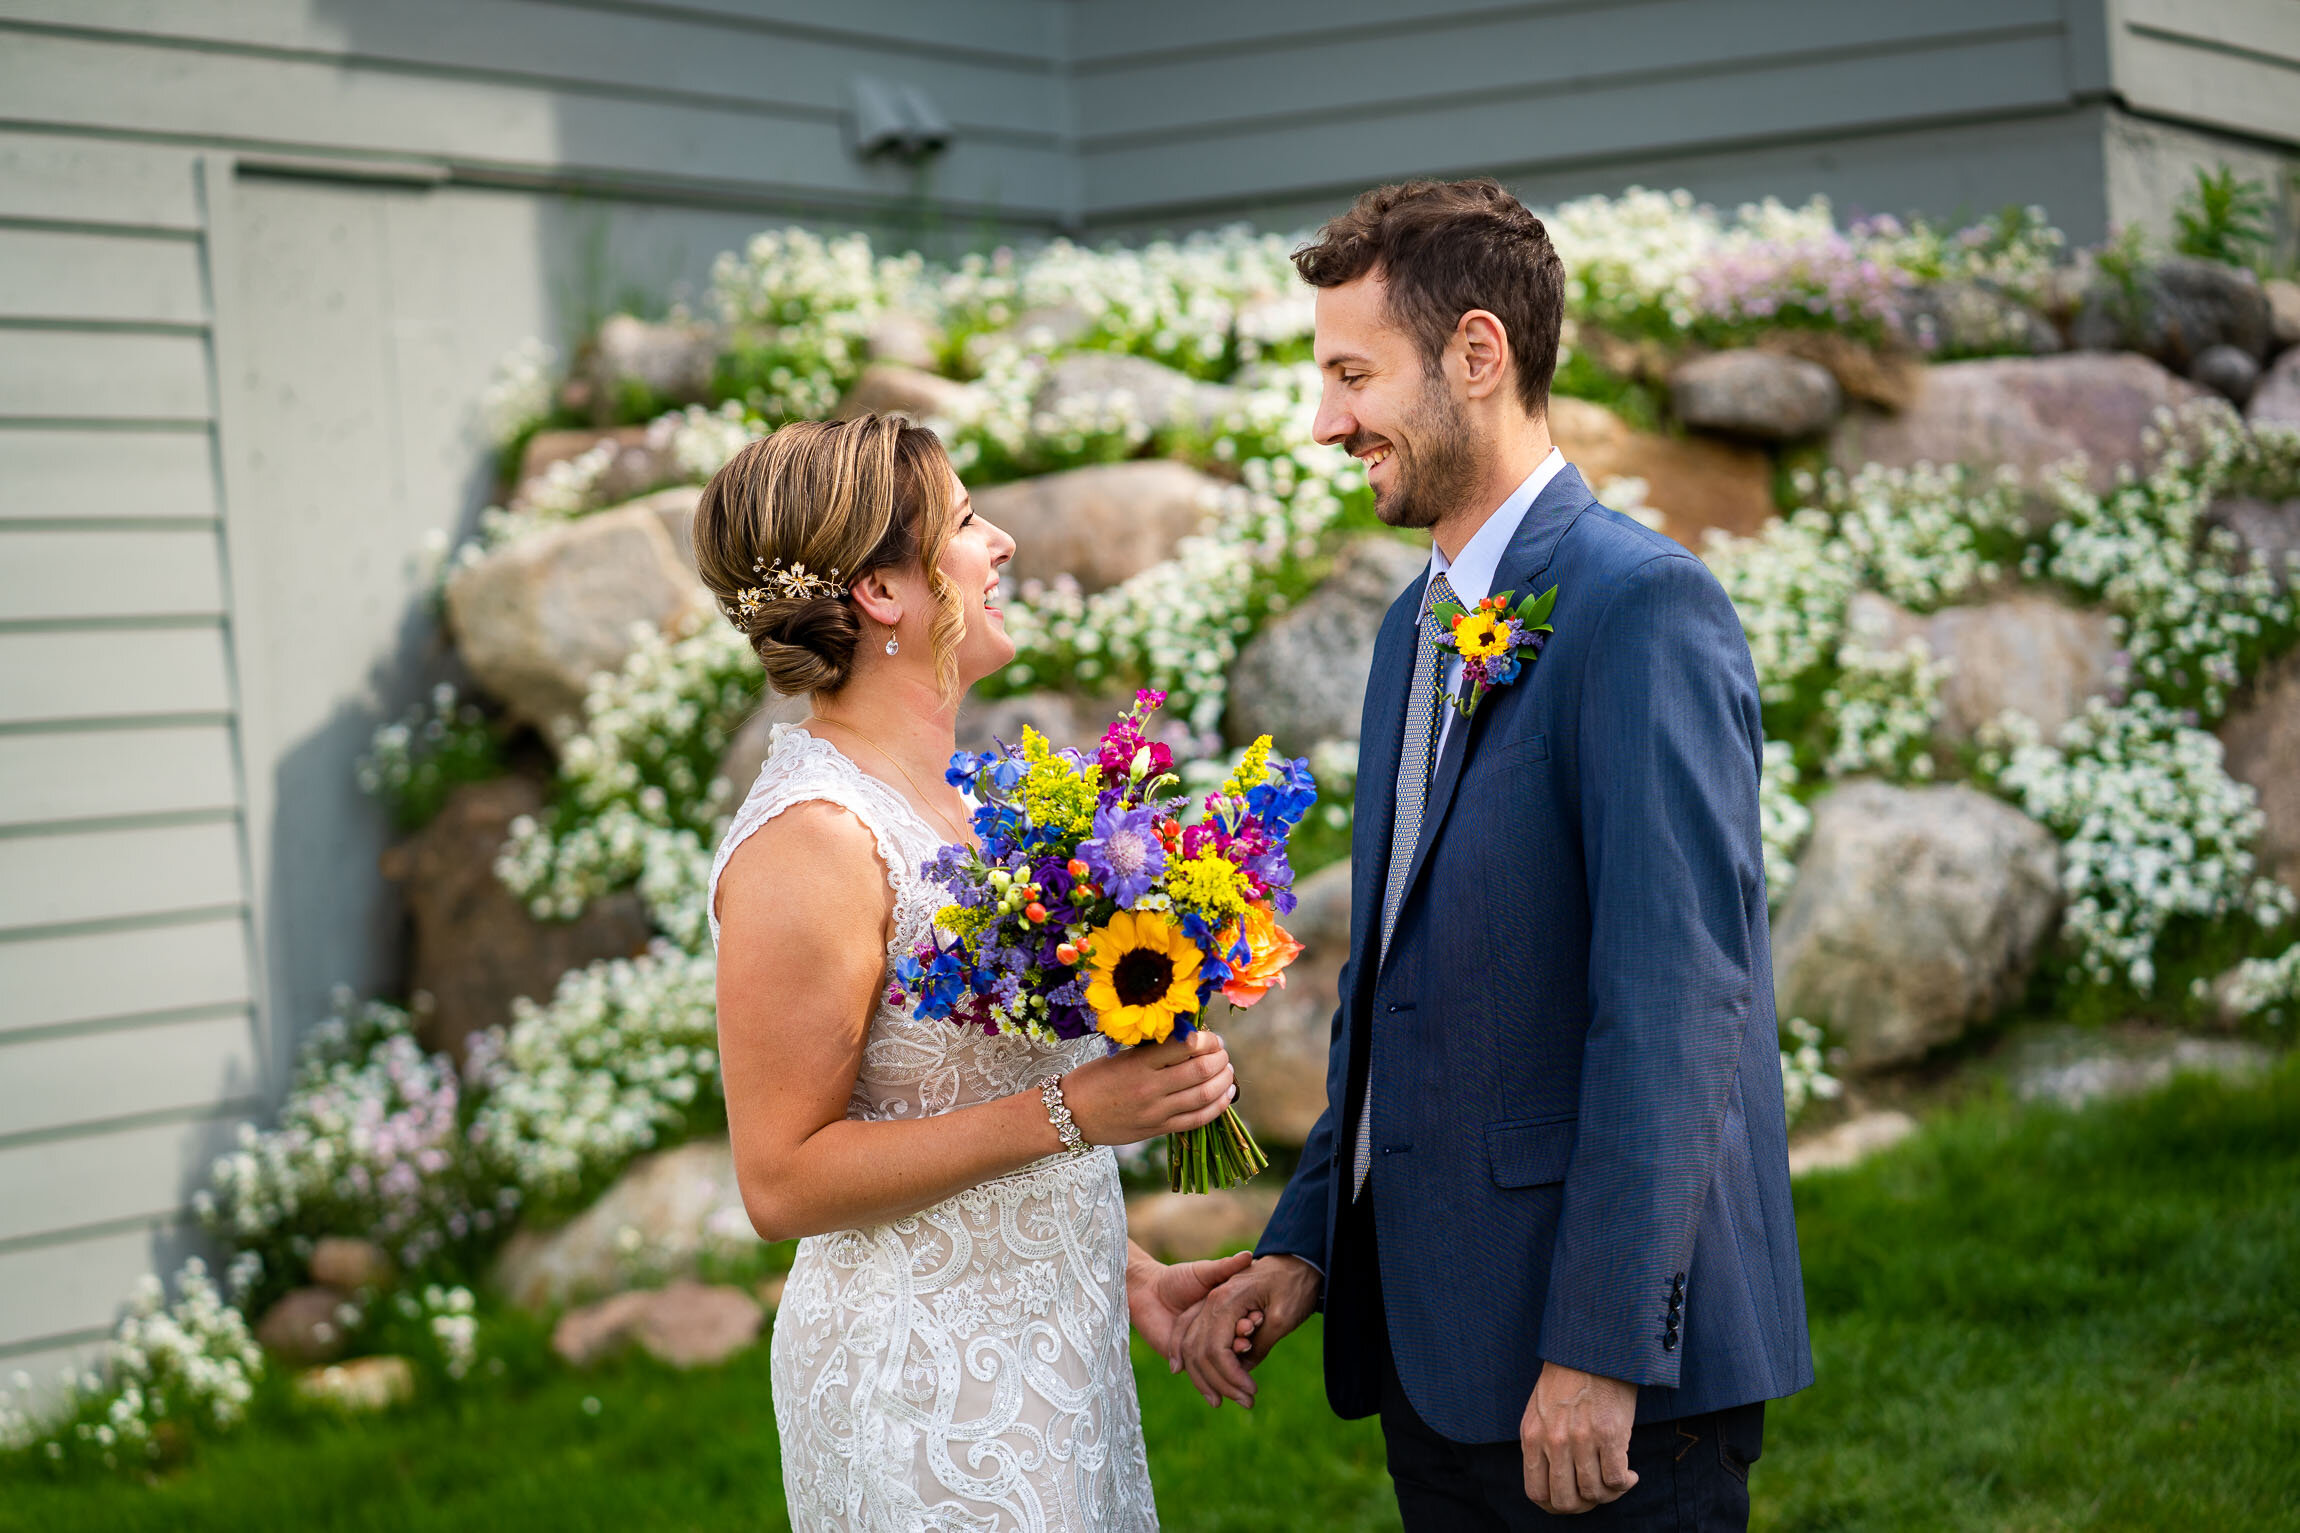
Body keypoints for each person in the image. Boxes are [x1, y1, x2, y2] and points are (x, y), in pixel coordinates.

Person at [1177, 179, 1813, 1531]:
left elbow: (1677, 1004)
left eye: (1354, 374)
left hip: (1600, 1391)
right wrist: (1303, 1249)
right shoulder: (1415, 630)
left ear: (1479, 353)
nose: (1326, 420)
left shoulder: (1645, 608)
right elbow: (1398, 997)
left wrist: (1600, 1346)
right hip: (1440, 1363)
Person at [701, 414, 1243, 1532]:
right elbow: (782, 1180)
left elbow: (951, 1098)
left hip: (1050, 1357)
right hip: (923, 1393)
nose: (999, 545)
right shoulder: (814, 840)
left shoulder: (958, 806)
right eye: (960, 523)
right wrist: (1073, 1112)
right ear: (880, 594)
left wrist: (1129, 1271)